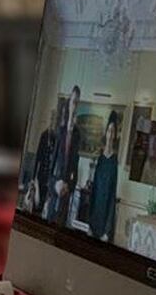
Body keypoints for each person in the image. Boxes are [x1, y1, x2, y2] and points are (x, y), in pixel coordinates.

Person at [46, 86, 82, 226]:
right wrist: (55, 184)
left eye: (78, 103)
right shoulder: (60, 131)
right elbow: (51, 167)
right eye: (73, 102)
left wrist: (70, 186)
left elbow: (75, 170)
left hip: (66, 198)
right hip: (54, 194)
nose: (75, 106)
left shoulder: (77, 135)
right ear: (69, 103)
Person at [88, 111, 119, 241]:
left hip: (106, 217)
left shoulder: (114, 161)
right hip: (94, 214)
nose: (110, 134)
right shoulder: (99, 158)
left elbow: (112, 195)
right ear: (106, 133)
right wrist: (88, 223)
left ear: (115, 135)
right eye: (109, 131)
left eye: (113, 131)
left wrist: (107, 230)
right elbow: (93, 190)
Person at [30, 108, 58, 215]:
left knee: (43, 207)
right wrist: (33, 178)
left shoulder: (56, 138)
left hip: (49, 178)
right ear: (49, 120)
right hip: (40, 175)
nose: (52, 121)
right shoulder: (44, 135)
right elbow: (37, 157)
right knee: (35, 202)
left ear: (55, 121)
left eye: (54, 119)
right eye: (51, 118)